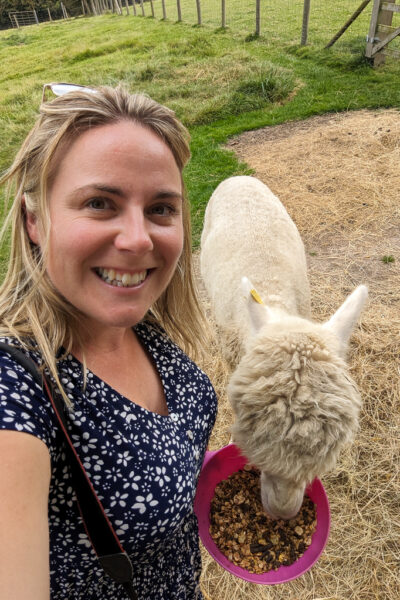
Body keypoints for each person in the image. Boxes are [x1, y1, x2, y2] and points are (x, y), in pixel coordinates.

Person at [0, 84, 217, 600]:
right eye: (100, 203)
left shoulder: (137, 322)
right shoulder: (15, 390)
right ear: (35, 218)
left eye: (162, 208)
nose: (139, 239)